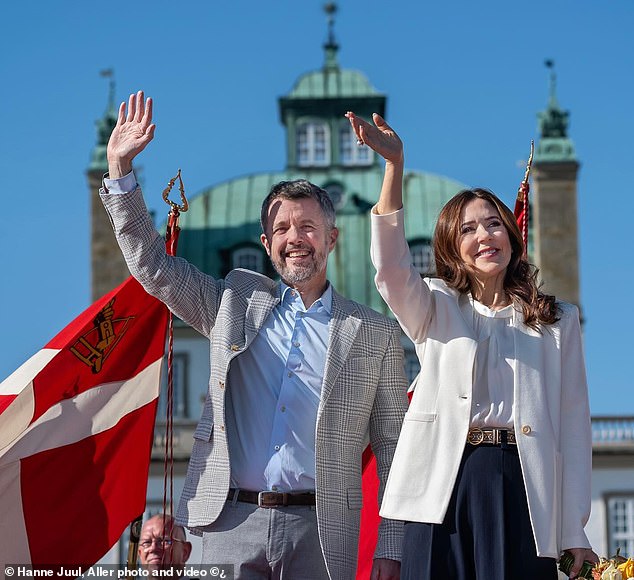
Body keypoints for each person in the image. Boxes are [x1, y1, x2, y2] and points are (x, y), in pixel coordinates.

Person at [100, 91, 409, 580]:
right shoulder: (234, 305)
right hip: (226, 523)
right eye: (282, 228)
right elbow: (153, 267)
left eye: (308, 226)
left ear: (331, 238)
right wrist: (120, 172)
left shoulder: (375, 334)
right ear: (266, 245)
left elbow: (395, 451)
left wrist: (393, 550)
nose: (295, 238)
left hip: (322, 533)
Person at [345, 111, 598, 580]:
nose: (485, 235)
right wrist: (394, 166)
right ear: (449, 247)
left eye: (493, 224)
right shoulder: (434, 304)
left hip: (521, 484)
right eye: (467, 229)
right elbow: (390, 267)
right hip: (441, 482)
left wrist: (575, 530)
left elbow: (573, 427)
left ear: (511, 236)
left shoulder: (558, 319)